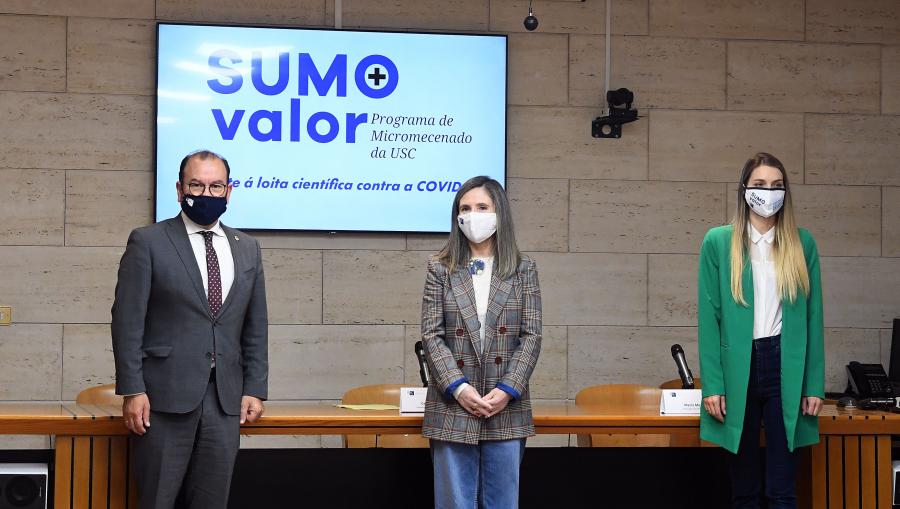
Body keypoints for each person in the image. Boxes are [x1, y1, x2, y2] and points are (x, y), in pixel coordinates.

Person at [111, 150, 268, 509]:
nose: (206, 193)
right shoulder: (148, 241)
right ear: (180, 189)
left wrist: (255, 388)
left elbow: (255, 326)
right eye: (197, 184)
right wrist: (132, 389)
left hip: (225, 402)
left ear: (229, 192)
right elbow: (127, 321)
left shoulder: (248, 249)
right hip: (162, 400)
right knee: (157, 501)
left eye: (215, 186)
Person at [698, 152, 824, 508]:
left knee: (783, 488)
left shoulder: (802, 243)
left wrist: (813, 384)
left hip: (785, 364)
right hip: (740, 366)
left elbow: (814, 317)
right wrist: (714, 384)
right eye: (760, 185)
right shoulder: (718, 242)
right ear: (744, 190)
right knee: (745, 487)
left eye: (777, 186)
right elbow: (709, 319)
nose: (768, 193)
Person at [420, 176, 541, 509]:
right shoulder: (439, 268)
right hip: (452, 405)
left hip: (506, 405)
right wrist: (460, 389)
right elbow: (431, 335)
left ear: (499, 212)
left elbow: (532, 335)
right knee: (454, 503)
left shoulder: (523, 268)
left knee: (503, 502)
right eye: (465, 209)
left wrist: (505, 391)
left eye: (482, 207)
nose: (472, 216)